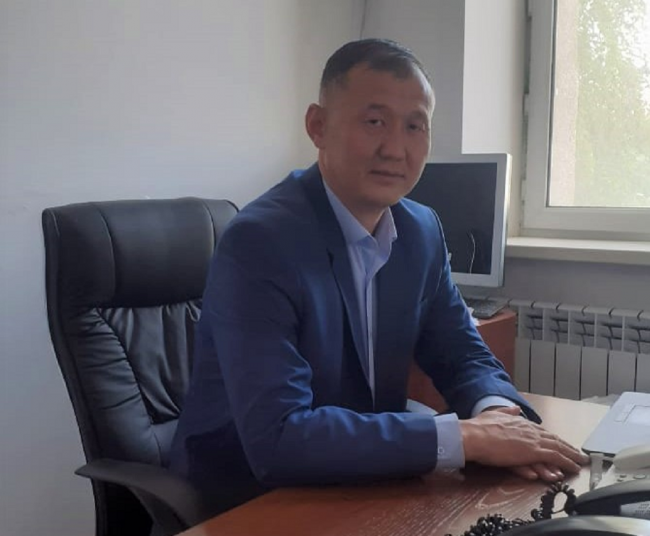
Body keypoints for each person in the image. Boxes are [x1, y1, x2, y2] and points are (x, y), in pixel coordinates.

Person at [168, 38, 588, 514]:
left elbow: (460, 350)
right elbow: (280, 437)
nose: (395, 149)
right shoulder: (261, 242)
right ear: (318, 126)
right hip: (249, 501)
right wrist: (467, 437)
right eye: (374, 122)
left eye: (415, 126)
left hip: (364, 482)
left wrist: (498, 415)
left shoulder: (420, 230)